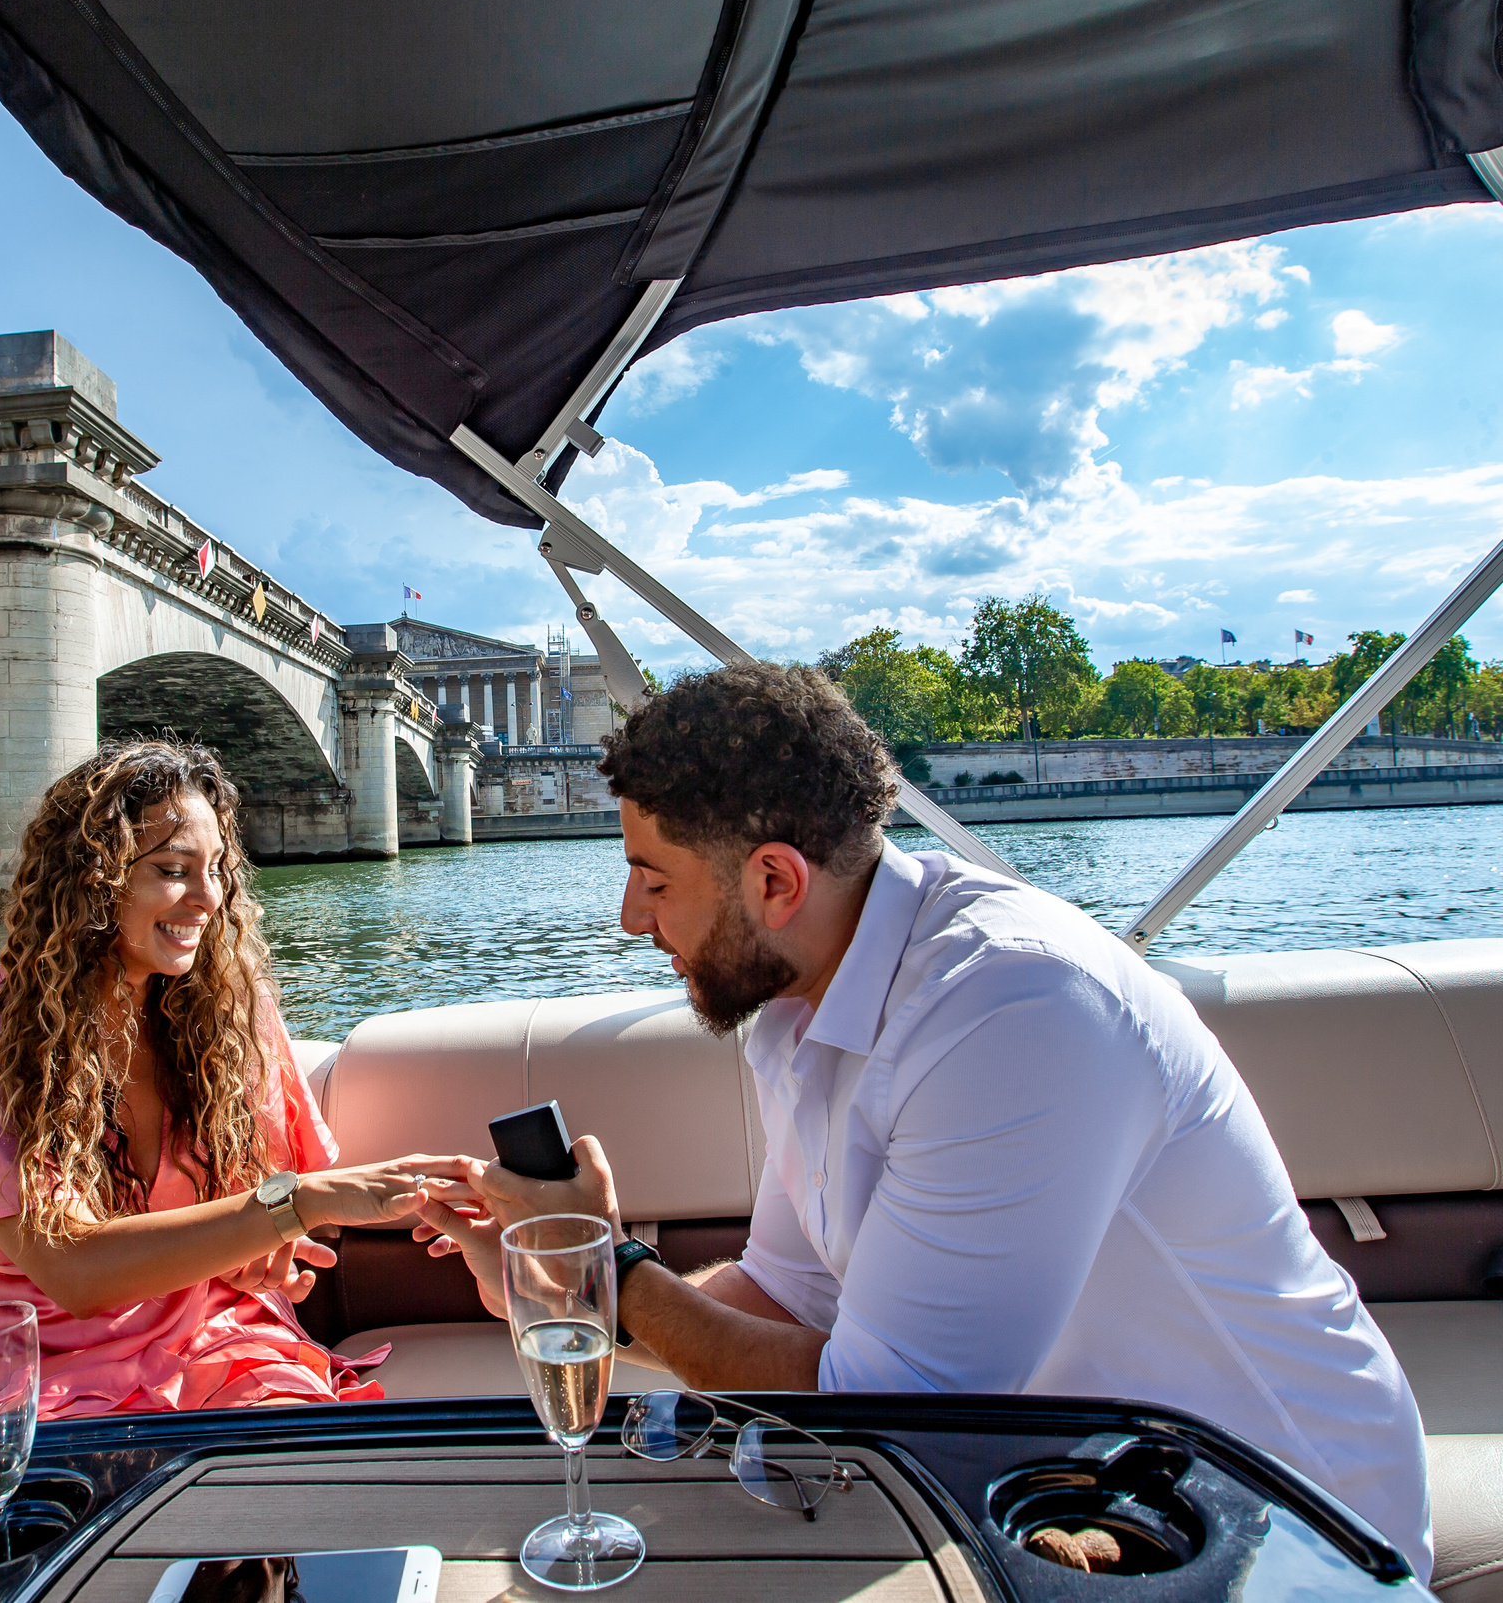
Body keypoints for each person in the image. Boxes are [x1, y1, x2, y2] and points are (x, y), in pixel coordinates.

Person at [415, 664, 1433, 1579]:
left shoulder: (1013, 1009)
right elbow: (786, 1295)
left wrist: (614, 1271)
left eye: (653, 879)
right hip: (1067, 1478)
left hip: (1276, 1517)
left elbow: (880, 1407)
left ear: (773, 881)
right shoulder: (800, 1000)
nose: (632, 919)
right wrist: (561, 1300)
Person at [0, 741, 458, 1517]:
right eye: (173, 869)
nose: (208, 898)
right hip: (47, 1368)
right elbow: (75, 1271)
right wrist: (298, 1204)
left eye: (216, 869)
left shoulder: (232, 1013)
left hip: (218, 1343)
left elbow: (246, 1228)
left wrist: (252, 1260)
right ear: (90, 880)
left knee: (301, 1509)